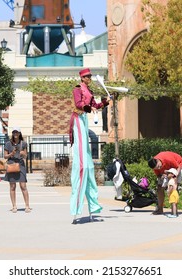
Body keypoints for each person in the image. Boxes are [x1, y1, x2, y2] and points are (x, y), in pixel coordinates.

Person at [69, 68, 110, 224]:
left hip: (85, 120)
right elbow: (79, 105)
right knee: (81, 163)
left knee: (88, 166)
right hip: (78, 119)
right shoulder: (77, 89)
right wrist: (89, 108)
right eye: (88, 76)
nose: (90, 78)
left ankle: (93, 207)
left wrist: (106, 101)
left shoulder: (89, 91)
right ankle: (76, 209)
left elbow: (95, 105)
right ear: (82, 77)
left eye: (90, 76)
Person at [4, 127, 31, 213]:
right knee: (12, 186)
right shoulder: (8, 144)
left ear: (19, 133)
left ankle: (27, 206)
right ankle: (14, 206)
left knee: (23, 186)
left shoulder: (23, 143)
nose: (15, 134)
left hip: (20, 165)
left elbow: (26, 156)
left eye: (17, 132)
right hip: (11, 164)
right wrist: (11, 154)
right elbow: (5, 156)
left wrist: (23, 153)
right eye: (14, 132)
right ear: (12, 133)